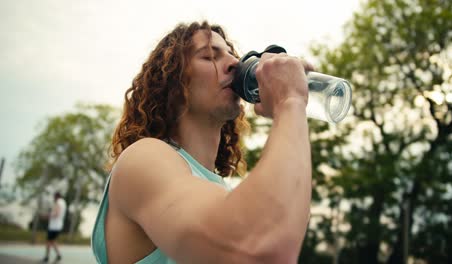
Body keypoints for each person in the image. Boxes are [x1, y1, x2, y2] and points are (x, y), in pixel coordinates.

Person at [92, 21, 313, 264]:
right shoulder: (143, 159)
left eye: (232, 55)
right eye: (209, 56)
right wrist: (290, 101)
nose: (235, 64)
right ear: (173, 83)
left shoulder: (218, 191)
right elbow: (256, 247)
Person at [42, 191, 67, 263]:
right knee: (52, 241)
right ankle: (58, 255)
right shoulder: (63, 202)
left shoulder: (58, 202)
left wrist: (46, 216)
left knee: (48, 241)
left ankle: (46, 257)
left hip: (54, 226)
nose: (53, 198)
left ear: (56, 196)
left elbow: (56, 213)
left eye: (54, 196)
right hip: (58, 225)